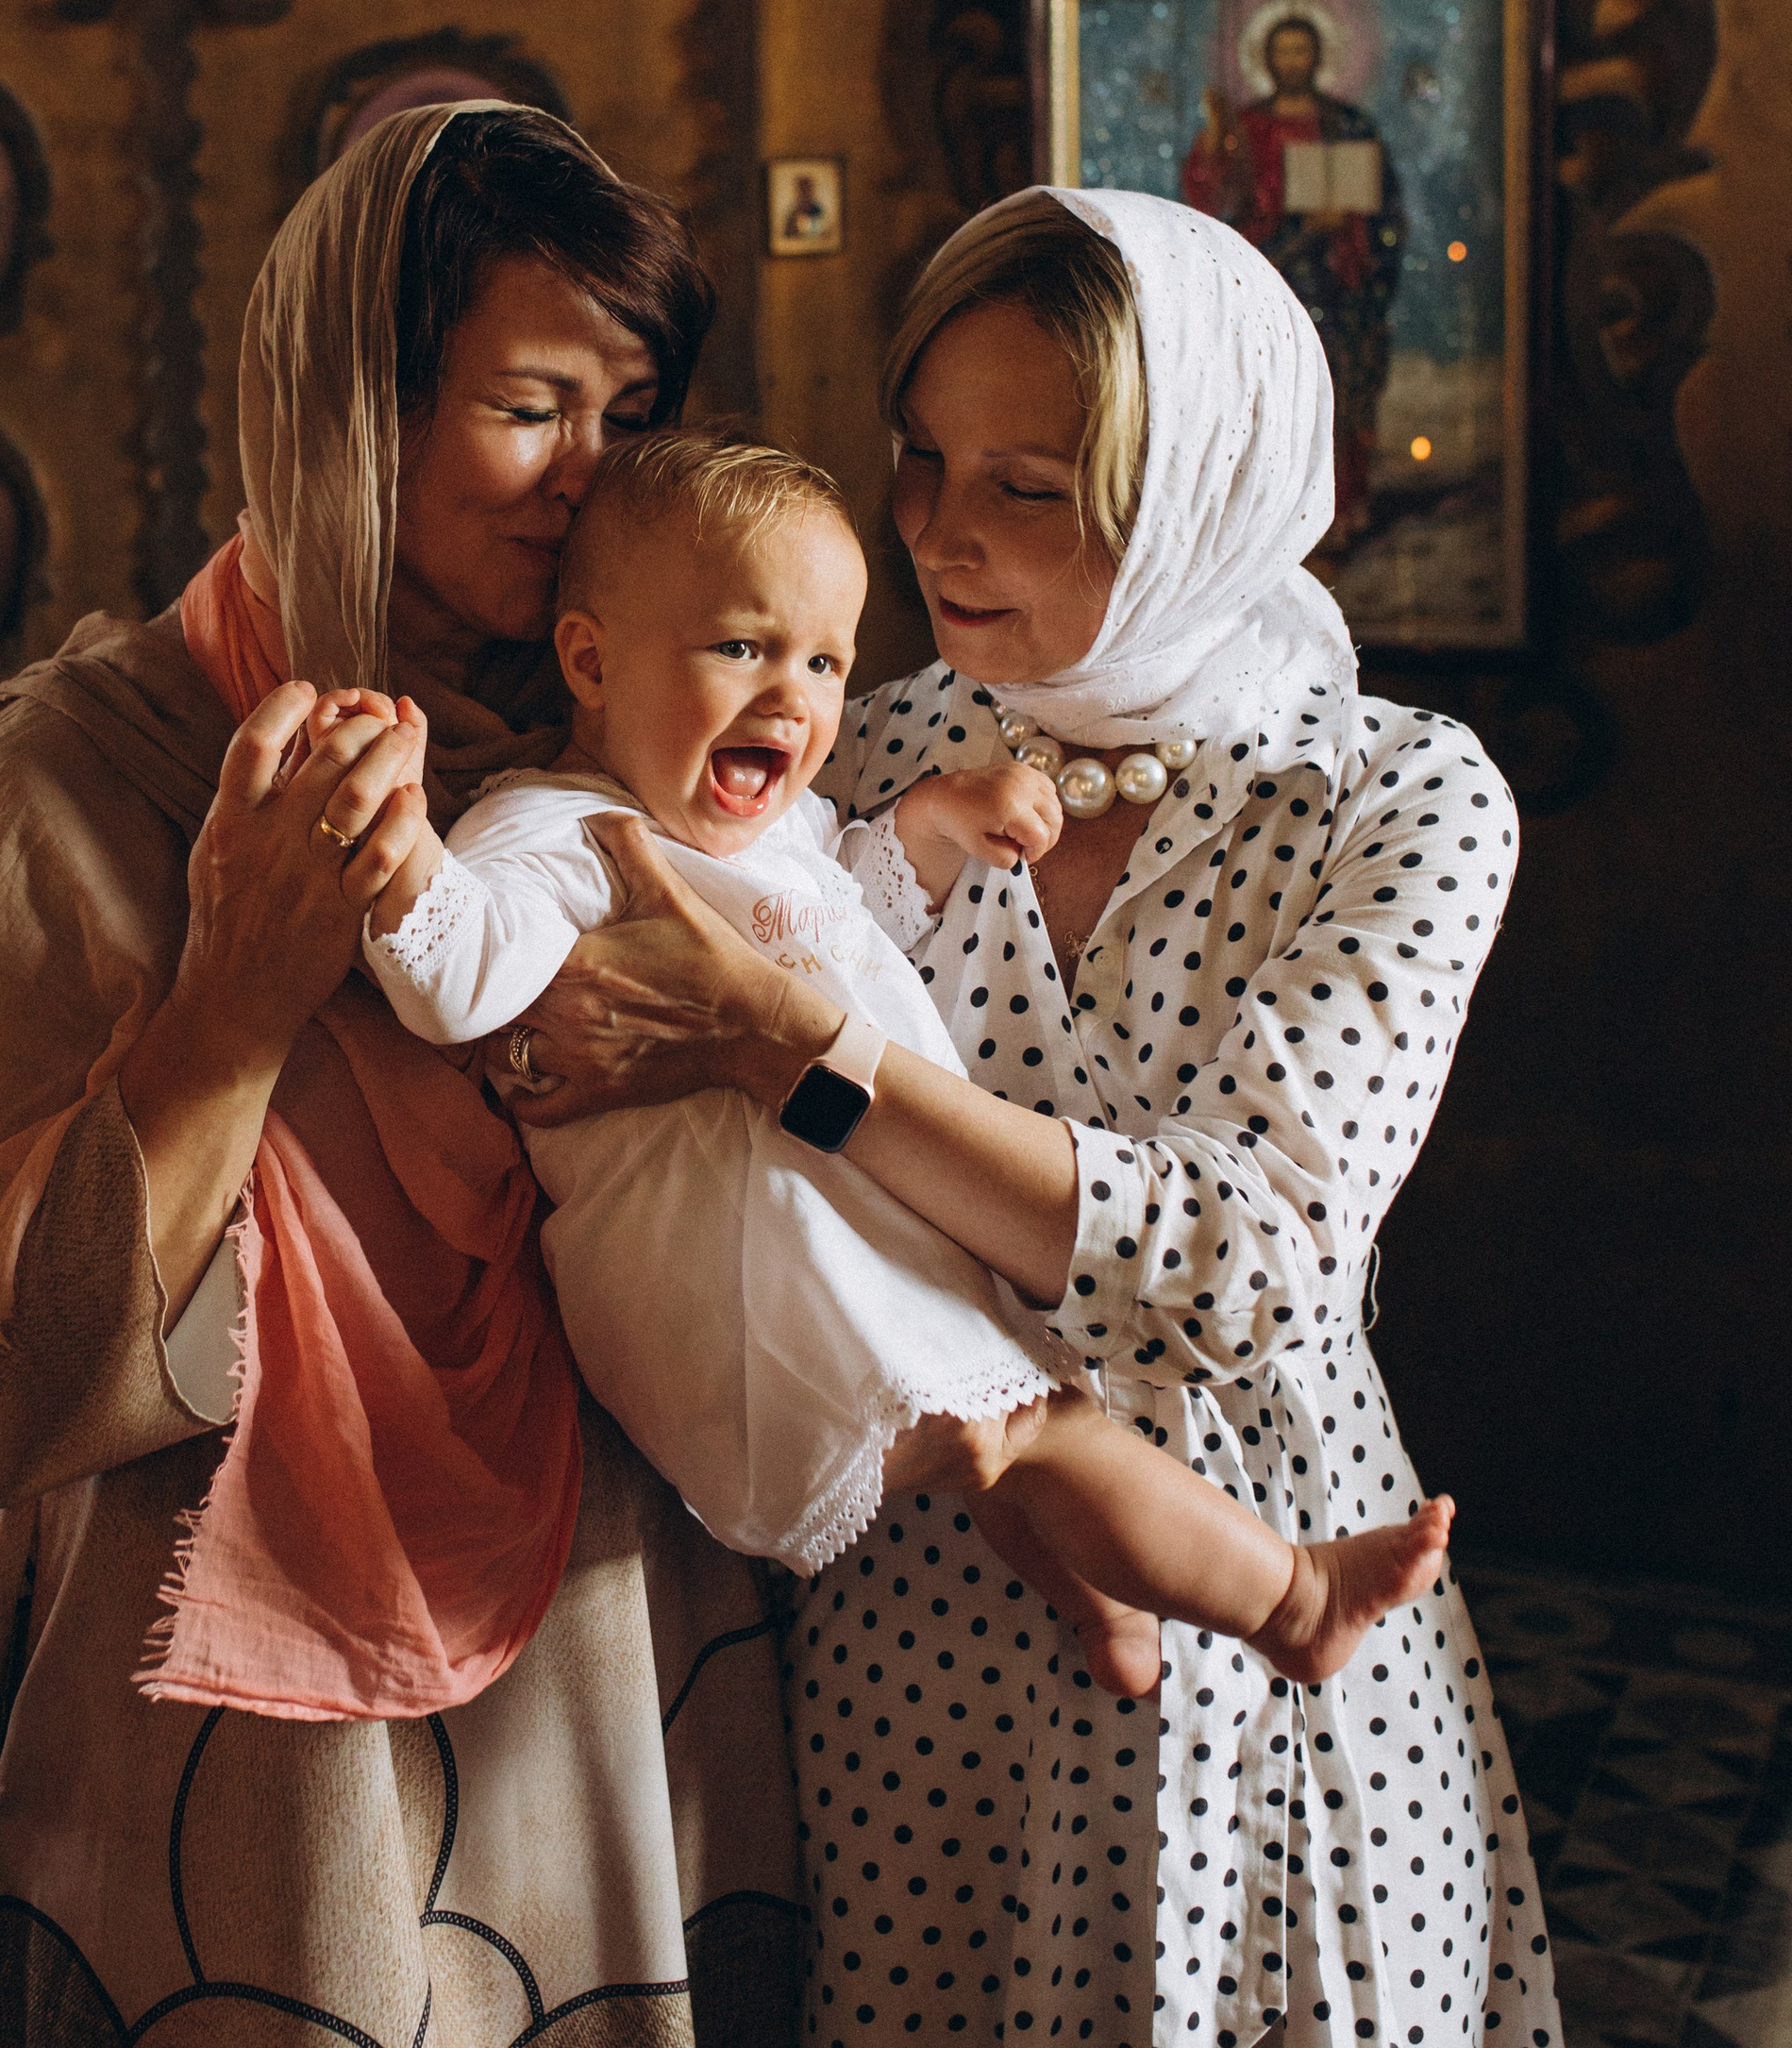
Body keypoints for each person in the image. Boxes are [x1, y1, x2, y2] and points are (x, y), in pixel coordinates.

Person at [501, 190, 1604, 2048]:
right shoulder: (851, 729)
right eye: (920, 456)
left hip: (1256, 1644)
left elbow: (1235, 1262)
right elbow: (580, 1027)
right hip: (906, 1642)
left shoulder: (1395, 800)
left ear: (1197, 496)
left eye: (1030, 487)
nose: (936, 532)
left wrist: (799, 1058)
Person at [0, 103, 827, 2048]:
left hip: (606, 1639)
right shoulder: (83, 775)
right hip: (247, 1714)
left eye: (628, 409)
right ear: (341, 407)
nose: (592, 474)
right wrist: (230, 1001)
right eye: (526, 404)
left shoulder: (612, 741)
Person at [359, 423, 1454, 1699]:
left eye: (825, 661)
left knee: (1016, 1442)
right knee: (1042, 1429)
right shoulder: (550, 833)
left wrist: (928, 829)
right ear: (591, 662)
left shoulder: (779, 827)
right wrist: (400, 853)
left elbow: (848, 921)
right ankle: (1290, 1598)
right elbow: (456, 981)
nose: (794, 697)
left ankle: (1104, 1611)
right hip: (749, 1301)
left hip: (842, 1255)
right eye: (740, 648)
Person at [1184, 2, 1405, 544]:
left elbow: (1386, 206)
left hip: (1339, 282)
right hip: (1272, 276)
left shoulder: (1349, 126)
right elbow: (1212, 199)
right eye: (1282, 51)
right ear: (1266, 58)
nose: (1291, 60)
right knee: (1271, 400)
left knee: (1339, 395)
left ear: (1318, 56)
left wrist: (1348, 223)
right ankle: (1270, 520)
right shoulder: (1247, 127)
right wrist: (1214, 148)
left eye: (1301, 50)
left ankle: (1339, 511)